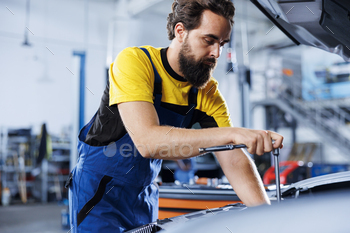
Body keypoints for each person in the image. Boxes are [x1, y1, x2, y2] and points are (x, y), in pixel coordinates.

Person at [67, 0, 284, 232]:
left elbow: (233, 158)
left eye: (222, 43)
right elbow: (148, 142)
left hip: (143, 195)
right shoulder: (136, 63)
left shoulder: (207, 93)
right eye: (209, 40)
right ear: (180, 31)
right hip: (99, 194)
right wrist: (231, 134)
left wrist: (267, 217)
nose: (216, 53)